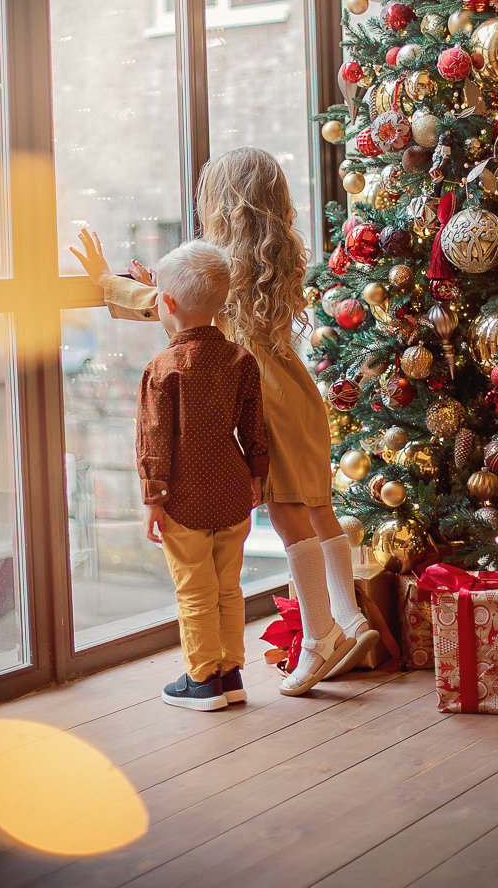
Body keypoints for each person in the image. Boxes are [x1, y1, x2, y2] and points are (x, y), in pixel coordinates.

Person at [71, 147, 378, 696]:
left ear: (224, 204)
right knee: (316, 507)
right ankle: (349, 617)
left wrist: (108, 281)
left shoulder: (224, 265)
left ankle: (320, 637)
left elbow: (170, 306)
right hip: (299, 395)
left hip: (263, 398)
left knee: (287, 518)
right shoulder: (280, 254)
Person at [135, 238, 269, 711]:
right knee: (227, 586)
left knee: (194, 590)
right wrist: (256, 477)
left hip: (183, 498)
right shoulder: (240, 360)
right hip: (233, 491)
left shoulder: (162, 369)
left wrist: (154, 497)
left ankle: (202, 680)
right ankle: (231, 673)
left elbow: (154, 440)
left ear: (165, 303)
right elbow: (255, 426)